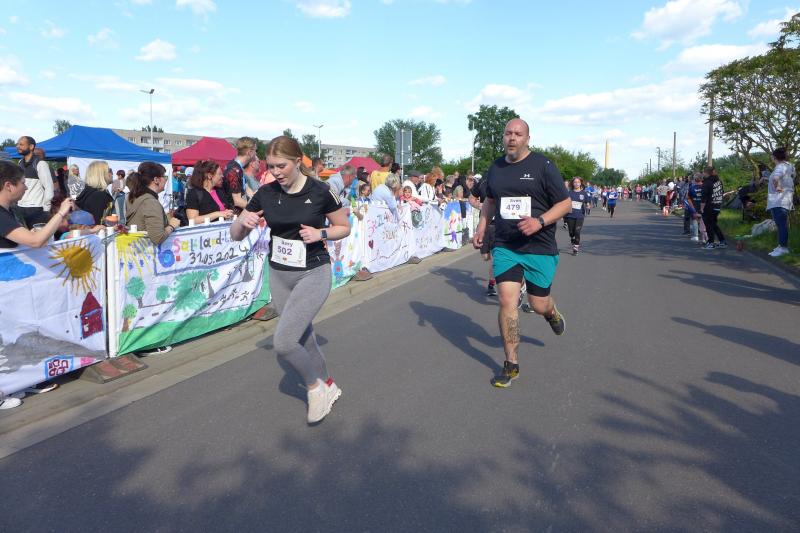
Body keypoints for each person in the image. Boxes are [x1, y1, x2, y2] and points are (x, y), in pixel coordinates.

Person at [230, 135, 350, 424]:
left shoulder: (320, 191)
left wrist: (320, 233)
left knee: (284, 342)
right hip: (279, 273)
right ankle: (328, 384)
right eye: (271, 166)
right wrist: (242, 223)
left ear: (297, 162)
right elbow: (235, 235)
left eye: (281, 166)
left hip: (313, 272)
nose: (276, 172)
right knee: (303, 336)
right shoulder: (266, 193)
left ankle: (315, 389)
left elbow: (343, 227)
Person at [473, 118, 570, 388]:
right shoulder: (496, 167)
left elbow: (565, 203)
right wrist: (482, 226)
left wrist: (540, 221)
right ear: (503, 137)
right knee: (508, 301)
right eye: (508, 133)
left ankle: (551, 313)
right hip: (506, 245)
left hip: (539, 245)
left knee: (538, 304)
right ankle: (511, 363)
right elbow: (490, 201)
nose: (512, 138)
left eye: (518, 134)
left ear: (527, 138)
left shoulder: (543, 166)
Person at [1, 160, 75, 248]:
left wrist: (30, 234)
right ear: (8, 186)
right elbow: (35, 241)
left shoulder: (10, 210)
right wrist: (61, 213)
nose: (26, 187)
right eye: (23, 183)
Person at [125, 162, 181, 245]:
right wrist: (172, 226)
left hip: (135, 247)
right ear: (156, 180)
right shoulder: (150, 202)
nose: (166, 180)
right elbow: (158, 238)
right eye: (164, 177)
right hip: (145, 249)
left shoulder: (136, 196)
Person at [15, 136, 54, 227]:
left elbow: (49, 187)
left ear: (31, 147)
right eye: (17, 144)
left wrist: (46, 209)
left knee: (37, 234)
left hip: (36, 208)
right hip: (20, 207)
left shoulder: (40, 163)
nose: (18, 146)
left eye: (21, 144)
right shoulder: (20, 162)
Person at [767, 147, 795, 257]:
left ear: (774, 157)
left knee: (781, 225)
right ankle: (781, 246)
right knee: (781, 224)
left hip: (778, 200)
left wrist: (778, 186)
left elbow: (776, 178)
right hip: (785, 199)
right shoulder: (789, 166)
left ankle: (783, 248)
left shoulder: (780, 166)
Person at [186, 160, 234, 224]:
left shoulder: (220, 192)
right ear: (209, 176)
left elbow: (224, 210)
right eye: (219, 173)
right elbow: (193, 220)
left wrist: (227, 212)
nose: (222, 176)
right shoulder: (194, 194)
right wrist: (217, 214)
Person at [221, 137, 256, 213]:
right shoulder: (234, 169)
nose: (255, 154)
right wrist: (256, 209)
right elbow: (237, 201)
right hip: (233, 215)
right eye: (255, 151)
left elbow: (247, 190)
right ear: (249, 152)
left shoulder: (237, 166)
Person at [75, 160, 113, 225]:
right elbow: (98, 224)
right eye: (110, 170)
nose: (112, 173)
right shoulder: (98, 195)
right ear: (101, 174)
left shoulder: (91, 192)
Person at [701, 166, 727, 249]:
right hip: (718, 205)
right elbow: (722, 192)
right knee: (713, 224)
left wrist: (701, 208)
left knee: (708, 225)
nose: (703, 174)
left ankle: (711, 243)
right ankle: (722, 241)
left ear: (706, 173)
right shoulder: (719, 181)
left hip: (709, 206)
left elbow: (703, 197)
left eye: (703, 172)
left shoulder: (707, 182)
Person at [565, 177, 590, 255]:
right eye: (575, 182)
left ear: (580, 183)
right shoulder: (569, 193)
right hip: (570, 215)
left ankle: (575, 249)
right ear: (573, 183)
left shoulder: (584, 193)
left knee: (577, 232)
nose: (576, 183)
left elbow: (587, 202)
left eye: (578, 182)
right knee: (571, 232)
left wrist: (588, 206)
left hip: (580, 216)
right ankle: (572, 237)